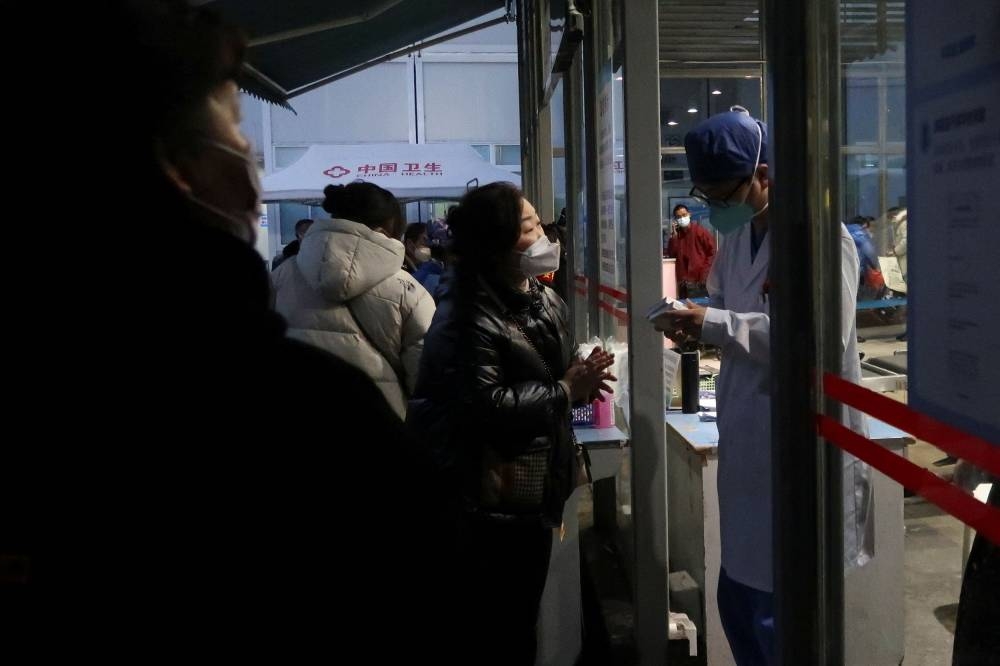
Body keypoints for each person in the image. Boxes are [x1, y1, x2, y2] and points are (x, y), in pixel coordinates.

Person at [66, 1, 443, 657]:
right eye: (239, 136)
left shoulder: (288, 272)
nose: (252, 166)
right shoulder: (310, 417)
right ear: (181, 167)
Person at [651, 108, 872, 665]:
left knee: (788, 618)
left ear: (765, 175)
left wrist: (716, 324)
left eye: (723, 192)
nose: (713, 207)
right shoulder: (738, 239)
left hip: (801, 444)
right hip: (747, 438)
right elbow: (728, 312)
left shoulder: (823, 240)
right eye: (706, 194)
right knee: (741, 603)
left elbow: (815, 341)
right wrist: (692, 319)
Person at [407, 182, 615, 665]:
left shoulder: (541, 298)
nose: (543, 234)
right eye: (528, 227)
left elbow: (548, 367)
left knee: (520, 617)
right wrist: (566, 389)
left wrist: (585, 375)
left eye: (538, 221)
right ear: (494, 243)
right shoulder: (464, 316)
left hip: (533, 488)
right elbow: (483, 405)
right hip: (486, 498)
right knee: (496, 628)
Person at [272, 182, 435, 418]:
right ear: (389, 227)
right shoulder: (409, 291)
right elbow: (424, 377)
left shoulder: (280, 277)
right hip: (379, 427)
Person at [666, 203, 717, 298]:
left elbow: (712, 252)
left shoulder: (700, 231)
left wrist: (704, 274)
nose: (682, 218)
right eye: (679, 217)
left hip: (698, 280)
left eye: (684, 215)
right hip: (683, 283)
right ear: (675, 219)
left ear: (689, 214)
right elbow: (671, 254)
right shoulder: (677, 236)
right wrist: (674, 237)